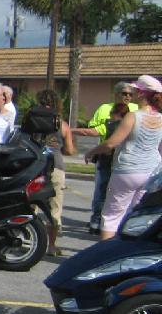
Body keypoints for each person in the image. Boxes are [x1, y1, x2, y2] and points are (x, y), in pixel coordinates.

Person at [84, 75, 162, 240]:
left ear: (140, 93)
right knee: (136, 215)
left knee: (111, 215)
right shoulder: (160, 118)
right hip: (151, 172)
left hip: (127, 170)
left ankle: (106, 252)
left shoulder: (133, 116)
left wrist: (91, 152)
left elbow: (111, 143)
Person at [73, 81, 138, 234]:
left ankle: (117, 223)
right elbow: (95, 129)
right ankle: (97, 220)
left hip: (127, 158)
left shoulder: (136, 110)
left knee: (122, 193)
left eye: (130, 94)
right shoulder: (104, 109)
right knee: (102, 190)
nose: (127, 97)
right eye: (124, 93)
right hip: (106, 155)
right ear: (116, 94)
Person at [21, 89, 76, 256]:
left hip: (33, 165)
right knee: (54, 208)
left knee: (29, 205)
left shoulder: (30, 119)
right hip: (55, 166)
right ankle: (51, 246)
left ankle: (27, 240)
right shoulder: (62, 124)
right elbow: (70, 150)